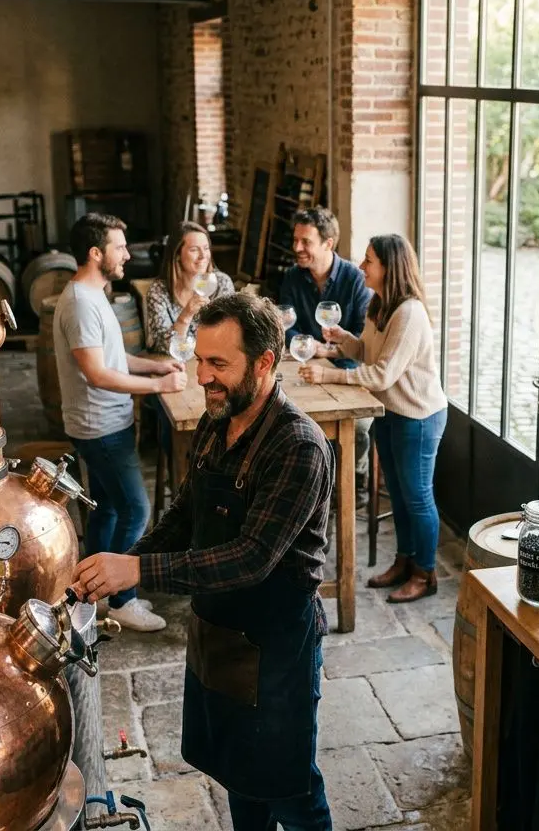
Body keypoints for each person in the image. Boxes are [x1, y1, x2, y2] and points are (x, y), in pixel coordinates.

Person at [72, 294, 335, 830]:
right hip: (220, 632)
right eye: (199, 359)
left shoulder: (298, 446)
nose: (203, 376)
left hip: (275, 644)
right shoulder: (220, 423)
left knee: (290, 788)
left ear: (265, 363)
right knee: (240, 775)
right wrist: (121, 566)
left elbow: (252, 558)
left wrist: (140, 573)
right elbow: (184, 517)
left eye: (219, 364)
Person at [53, 212, 185, 633]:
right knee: (136, 509)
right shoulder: (78, 303)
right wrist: (160, 388)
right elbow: (97, 374)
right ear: (96, 253)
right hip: (100, 427)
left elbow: (114, 360)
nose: (128, 253)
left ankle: (95, 591)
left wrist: (154, 368)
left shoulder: (95, 296)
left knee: (108, 508)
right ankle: (123, 600)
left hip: (108, 422)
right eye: (119, 247)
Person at [298, 234, 447, 603]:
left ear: (388, 267)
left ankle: (426, 573)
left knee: (417, 497)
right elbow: (367, 353)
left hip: (418, 417)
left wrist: (329, 373)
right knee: (396, 496)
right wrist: (343, 339)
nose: (361, 267)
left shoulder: (409, 313)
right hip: (389, 412)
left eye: (368, 261)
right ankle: (404, 560)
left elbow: (382, 375)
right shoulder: (380, 305)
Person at [278, 208, 374, 502]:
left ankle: (350, 481)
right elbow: (285, 326)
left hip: (347, 370)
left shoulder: (355, 280)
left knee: (356, 427)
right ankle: (312, 486)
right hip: (304, 368)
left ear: (328, 244)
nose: (297, 248)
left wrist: (328, 350)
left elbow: (363, 340)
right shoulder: (293, 278)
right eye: (295, 240)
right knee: (285, 420)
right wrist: (306, 347)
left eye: (305, 242)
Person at [144, 221, 235, 355]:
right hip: (174, 366)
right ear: (178, 255)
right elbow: (162, 347)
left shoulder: (221, 283)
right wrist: (185, 316)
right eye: (194, 249)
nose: (203, 256)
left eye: (206, 248)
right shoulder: (159, 291)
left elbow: (230, 336)